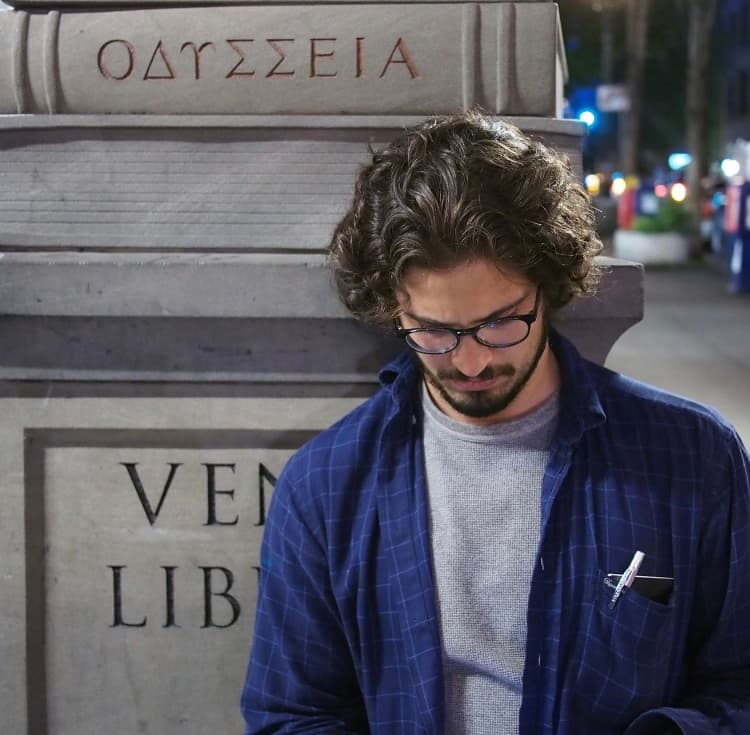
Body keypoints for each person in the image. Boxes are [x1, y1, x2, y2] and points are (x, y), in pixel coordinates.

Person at [241, 112, 750, 734]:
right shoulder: (326, 487)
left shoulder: (693, 456)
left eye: (501, 322)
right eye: (434, 331)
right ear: (391, 308)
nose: (472, 359)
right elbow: (292, 715)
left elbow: (739, 682)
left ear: (550, 286)